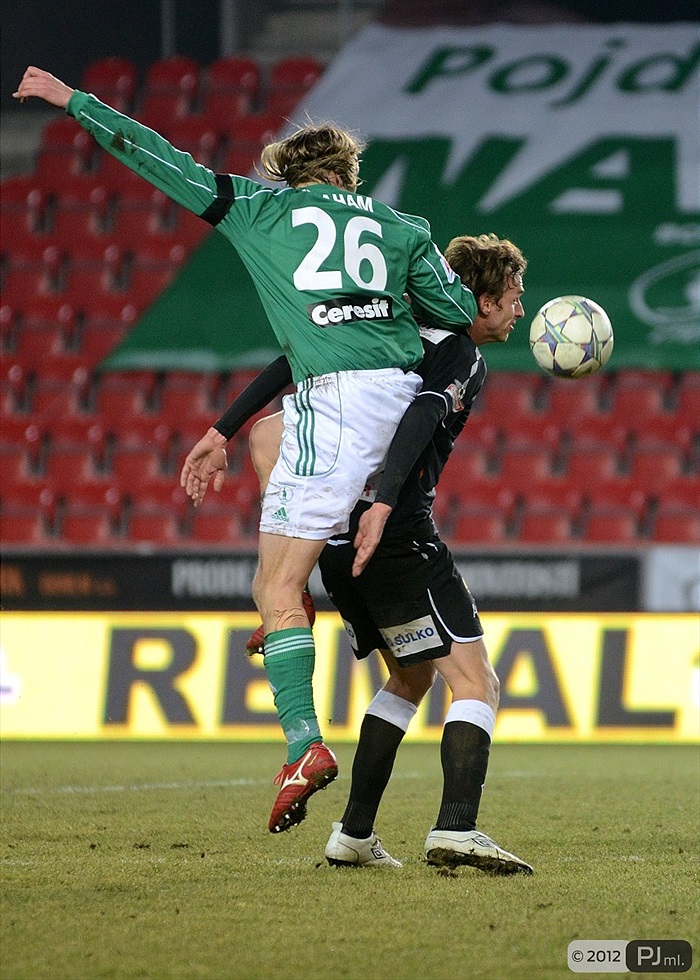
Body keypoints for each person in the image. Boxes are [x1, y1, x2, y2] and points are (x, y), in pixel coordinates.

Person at [15, 67, 477, 835]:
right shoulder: (405, 227)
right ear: (346, 175)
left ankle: (302, 740)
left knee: (272, 583)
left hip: (331, 402)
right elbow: (456, 311)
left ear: (297, 176)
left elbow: (159, 159)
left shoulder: (261, 209)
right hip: (400, 410)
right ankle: (296, 610)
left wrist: (76, 102)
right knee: (268, 436)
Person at [182, 233, 533, 874]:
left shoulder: (384, 325)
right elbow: (422, 417)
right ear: (479, 301)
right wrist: (385, 503)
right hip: (395, 532)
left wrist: (222, 428)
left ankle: (353, 834)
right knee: (475, 681)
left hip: (335, 543)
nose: (518, 311)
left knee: (409, 676)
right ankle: (457, 829)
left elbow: (294, 359)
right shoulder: (458, 353)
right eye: (511, 298)